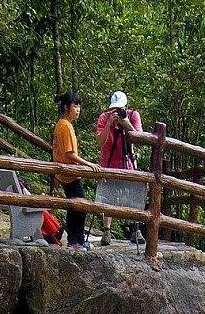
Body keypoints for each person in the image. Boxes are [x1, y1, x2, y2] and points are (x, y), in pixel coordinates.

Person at [94, 91, 146, 243]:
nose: (116, 112)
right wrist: (110, 123)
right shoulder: (104, 117)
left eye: (120, 108)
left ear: (126, 106)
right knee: (107, 197)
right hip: (108, 162)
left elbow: (140, 138)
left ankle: (135, 230)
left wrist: (125, 123)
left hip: (127, 162)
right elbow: (100, 142)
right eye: (114, 109)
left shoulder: (133, 115)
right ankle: (107, 231)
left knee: (132, 196)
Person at [50, 91, 90, 248]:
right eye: (75, 105)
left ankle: (78, 240)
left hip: (67, 172)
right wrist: (88, 164)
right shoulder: (65, 126)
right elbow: (69, 153)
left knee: (76, 206)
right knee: (79, 207)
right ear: (66, 107)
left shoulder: (63, 124)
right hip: (69, 173)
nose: (78, 109)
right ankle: (75, 241)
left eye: (79, 105)